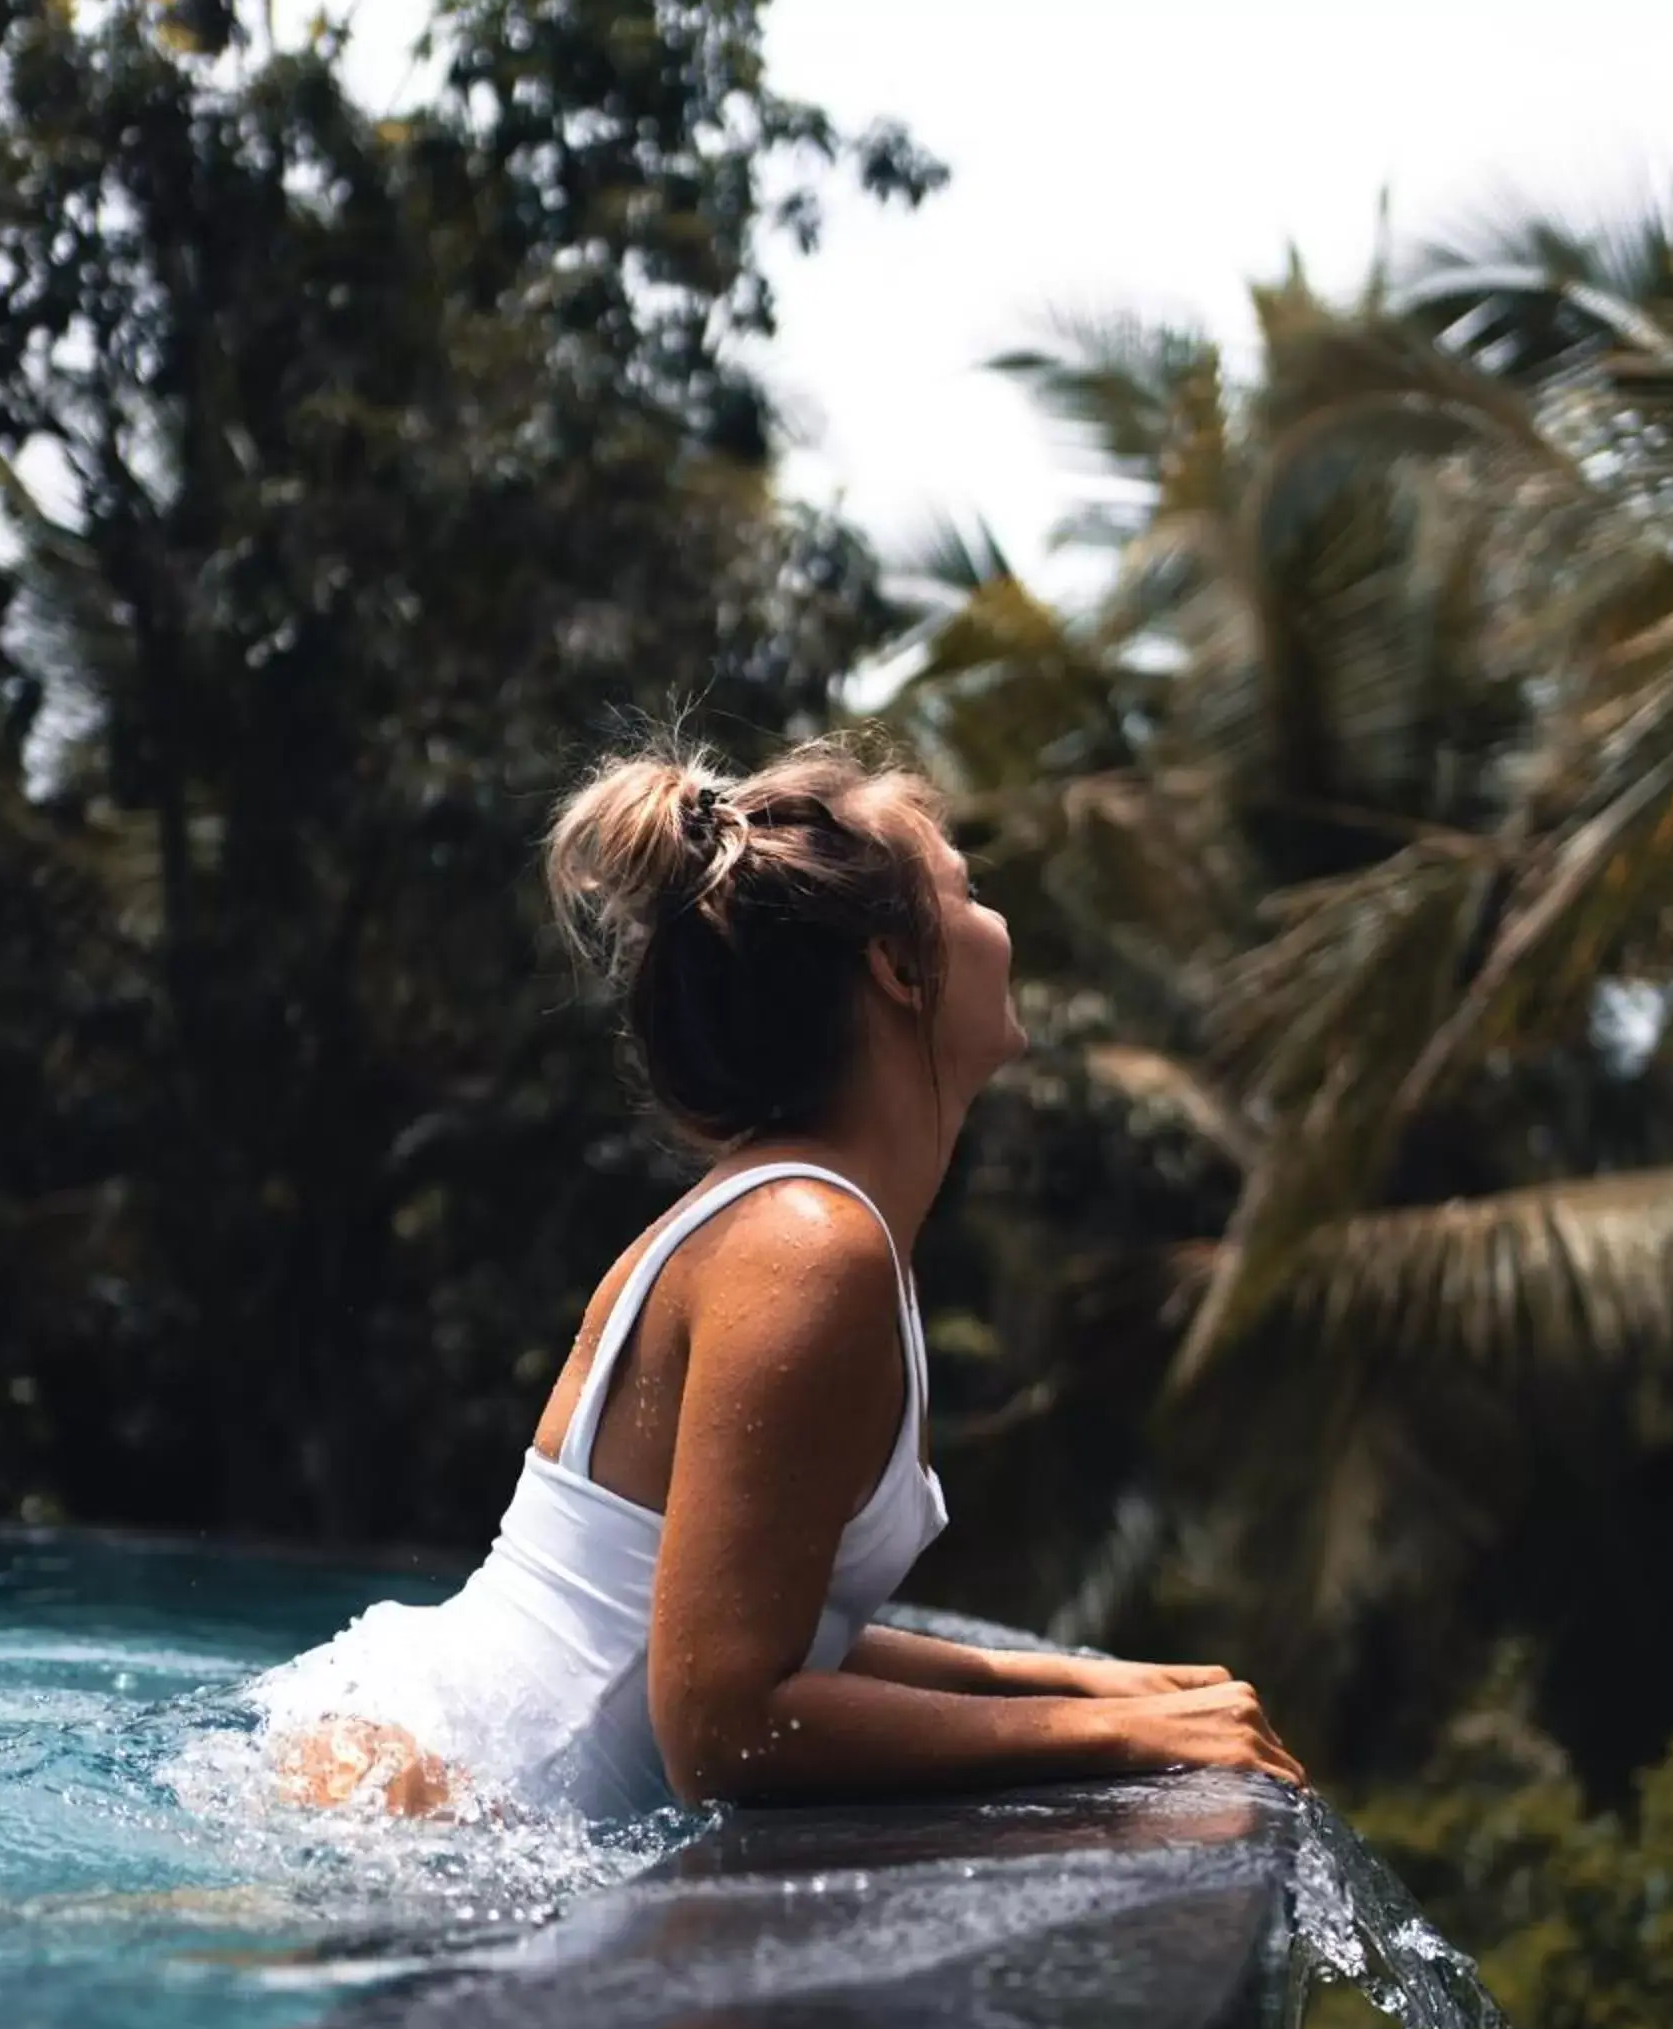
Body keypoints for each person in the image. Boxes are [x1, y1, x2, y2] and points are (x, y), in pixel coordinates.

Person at [251, 739, 1305, 1822]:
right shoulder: (807, 1245)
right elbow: (724, 1727)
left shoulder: (790, 1217)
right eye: (968, 890)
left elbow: (776, 1625)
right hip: (433, 1815)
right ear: (899, 968)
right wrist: (1115, 1735)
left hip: (416, 1768)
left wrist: (1100, 1683)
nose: (1002, 925)